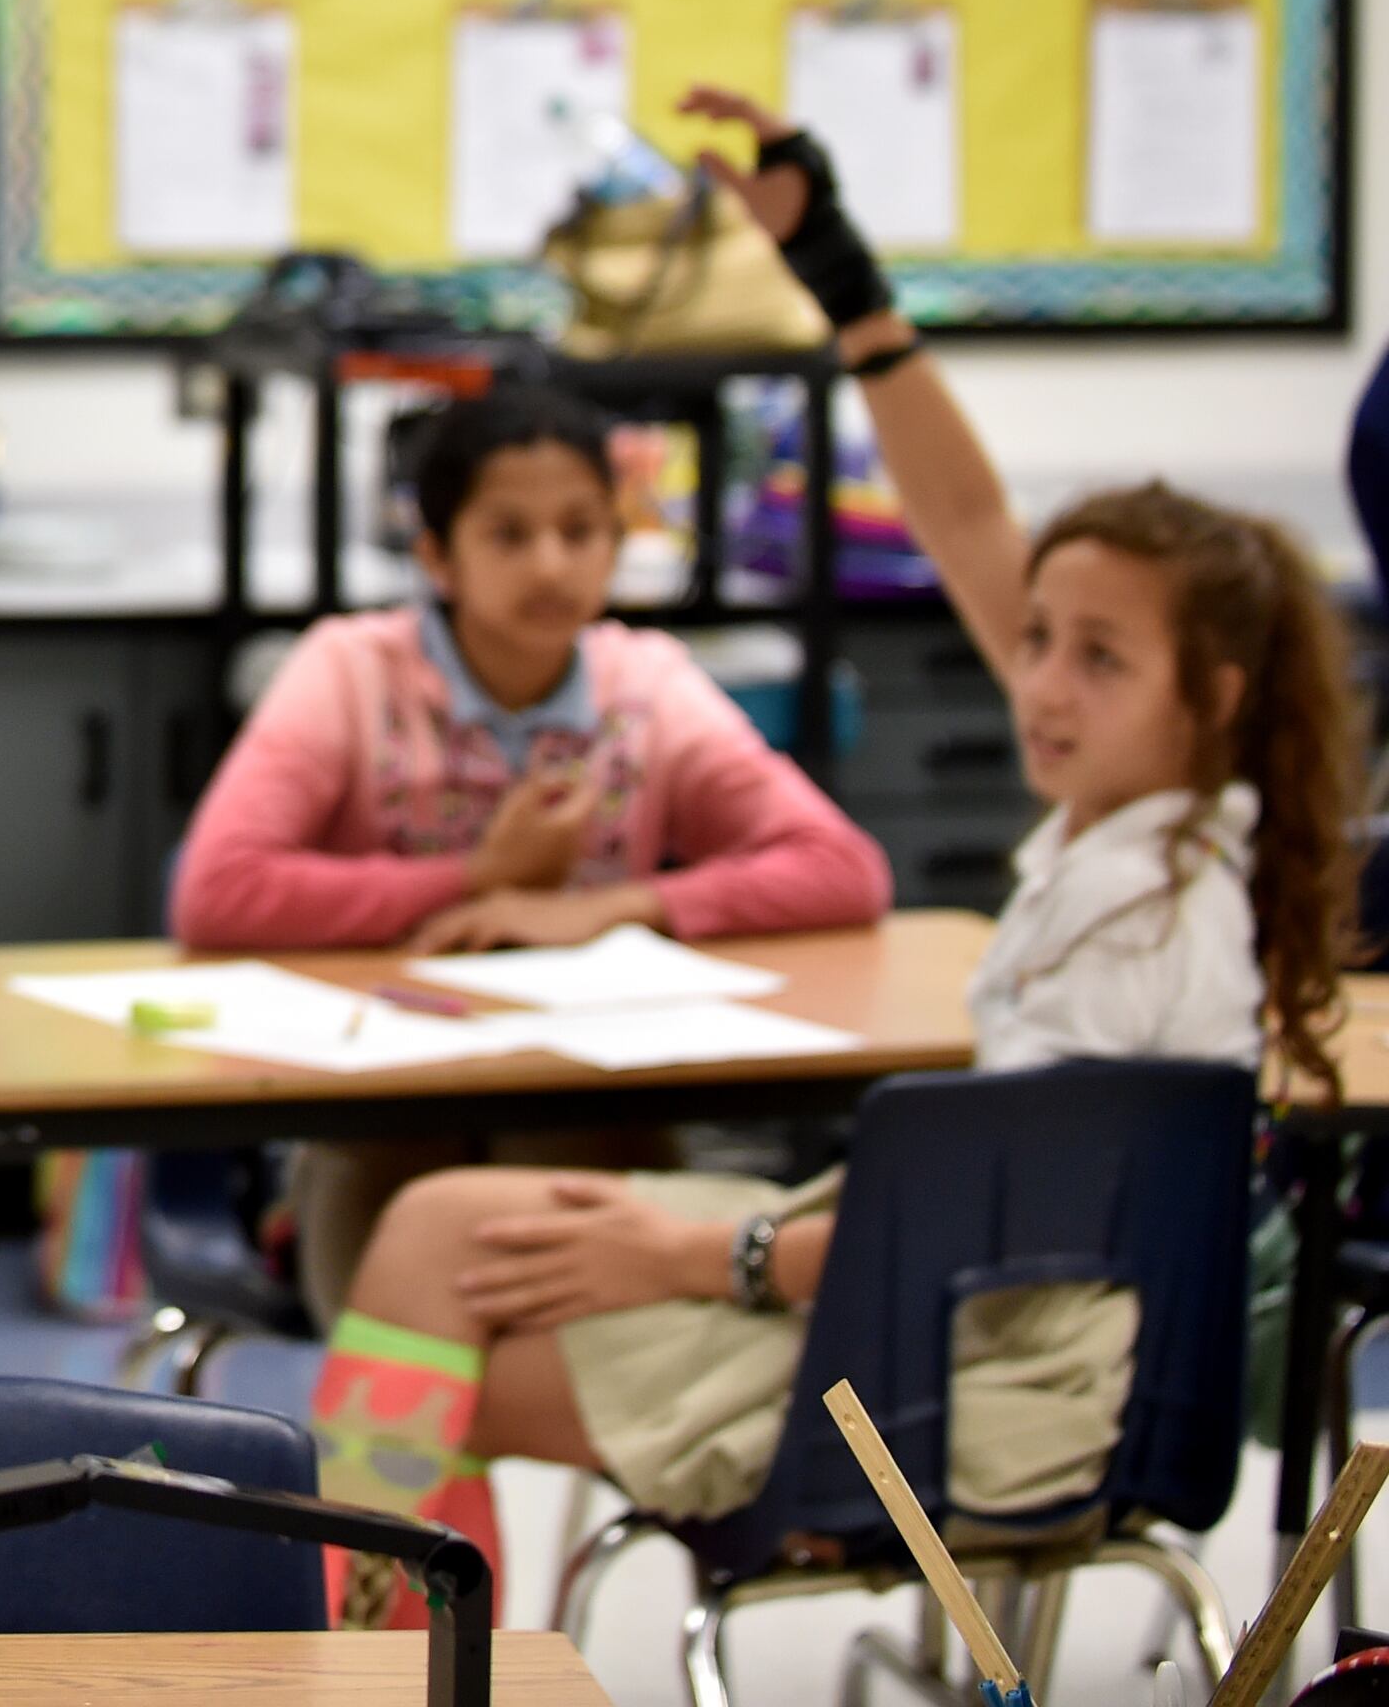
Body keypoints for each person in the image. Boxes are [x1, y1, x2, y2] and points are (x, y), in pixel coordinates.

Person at [300, 84, 1360, 1629]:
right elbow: (968, 516)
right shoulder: (1135, 805)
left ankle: (396, 1666)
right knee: (430, 1230)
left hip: (968, 1377)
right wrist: (844, 280)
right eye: (1038, 642)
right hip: (915, 1292)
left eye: (1095, 659)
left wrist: (702, 1245)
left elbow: (1000, 1234)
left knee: (423, 1363)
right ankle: (396, 1658)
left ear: (1214, 697)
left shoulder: (1162, 914)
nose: (1041, 683)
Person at [171, 378, 894, 1316]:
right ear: (437, 554)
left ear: (617, 541)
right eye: (509, 535)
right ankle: (405, 1443)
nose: (551, 565)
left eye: (582, 530)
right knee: (405, 1295)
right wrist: (478, 876)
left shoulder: (646, 687)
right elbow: (218, 890)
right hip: (388, 1102)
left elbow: (842, 868)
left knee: (587, 1210)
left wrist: (616, 905)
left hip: (588, 1097)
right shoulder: (350, 673)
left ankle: (550, 1428)